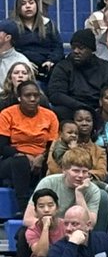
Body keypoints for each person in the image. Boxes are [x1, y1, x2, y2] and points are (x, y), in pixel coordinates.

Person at [0, 80, 56, 210]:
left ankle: (47, 205)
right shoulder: (7, 114)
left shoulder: (50, 116)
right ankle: (24, 207)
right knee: (21, 162)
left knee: (52, 161)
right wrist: (26, 156)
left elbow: (53, 145)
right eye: (28, 95)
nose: (32, 99)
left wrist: (41, 157)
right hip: (12, 160)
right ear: (19, 98)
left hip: (42, 158)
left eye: (36, 95)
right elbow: (2, 147)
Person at [46, 30, 108, 120]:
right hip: (72, 109)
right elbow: (56, 94)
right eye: (73, 47)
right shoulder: (63, 66)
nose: (76, 51)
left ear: (91, 50)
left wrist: (103, 106)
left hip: (102, 110)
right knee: (58, 111)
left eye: (81, 48)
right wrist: (83, 107)